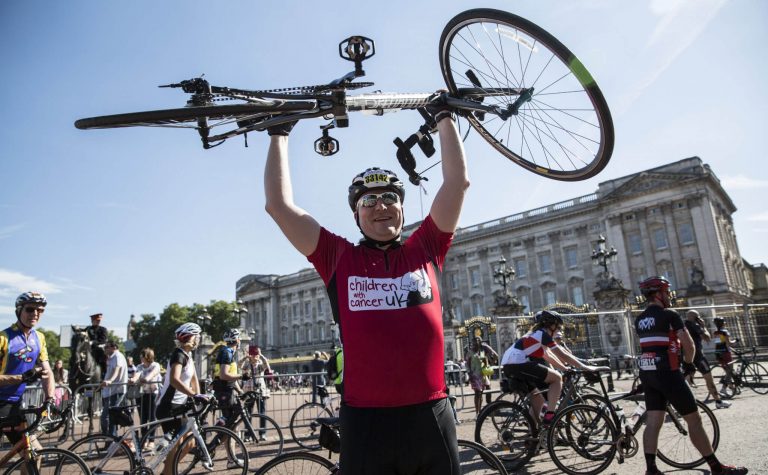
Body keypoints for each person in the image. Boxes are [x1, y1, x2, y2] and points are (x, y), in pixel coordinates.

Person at [263, 95, 467, 474]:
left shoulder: (426, 248)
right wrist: (279, 134)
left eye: (390, 197)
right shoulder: (338, 257)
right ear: (356, 214)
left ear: (403, 208)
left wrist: (444, 117)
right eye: (368, 200)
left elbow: (457, 182)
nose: (380, 206)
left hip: (431, 416)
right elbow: (279, 205)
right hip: (366, 423)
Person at [634, 276, 746, 475]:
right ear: (658, 294)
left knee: (653, 422)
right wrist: (688, 365)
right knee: (694, 420)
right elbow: (689, 344)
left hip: (648, 372)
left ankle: (651, 469)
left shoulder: (639, 319)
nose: (669, 296)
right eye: (666, 292)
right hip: (668, 372)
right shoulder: (669, 314)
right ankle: (716, 468)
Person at [501, 310, 598, 425]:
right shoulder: (542, 334)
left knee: (538, 399)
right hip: (518, 364)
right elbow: (562, 354)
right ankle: (550, 416)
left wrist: (565, 368)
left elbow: (549, 356)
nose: (558, 330)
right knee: (557, 379)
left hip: (510, 365)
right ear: (551, 325)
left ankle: (534, 433)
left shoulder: (536, 334)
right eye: (557, 327)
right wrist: (584, 367)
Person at [156, 323, 215, 474]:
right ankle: (167, 472)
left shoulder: (188, 356)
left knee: (189, 444)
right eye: (197, 336)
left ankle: (168, 469)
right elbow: (175, 379)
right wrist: (194, 395)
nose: (199, 339)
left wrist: (200, 398)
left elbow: (195, 381)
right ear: (189, 337)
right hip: (169, 406)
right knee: (175, 445)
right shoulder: (179, 355)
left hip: (180, 405)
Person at [0, 292, 56, 451]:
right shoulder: (4, 337)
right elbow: (24, 377)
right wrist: (22, 377)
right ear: (19, 310)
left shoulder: (39, 338)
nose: (35, 314)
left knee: (34, 454)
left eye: (40, 310)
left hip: (14, 406)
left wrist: (50, 399)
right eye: (30, 309)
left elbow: (48, 372)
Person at [682, 310, 731, 408]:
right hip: (698, 357)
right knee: (709, 379)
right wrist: (703, 326)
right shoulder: (695, 326)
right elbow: (707, 338)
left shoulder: (683, 325)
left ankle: (683, 405)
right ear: (696, 317)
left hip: (686, 357)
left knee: (684, 381)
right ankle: (718, 402)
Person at [212, 329, 249, 428]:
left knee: (231, 418)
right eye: (239, 339)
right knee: (228, 420)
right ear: (237, 340)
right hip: (224, 390)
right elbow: (224, 375)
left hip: (226, 389)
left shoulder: (227, 352)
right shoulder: (227, 353)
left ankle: (223, 439)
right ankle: (216, 438)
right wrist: (242, 376)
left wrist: (240, 391)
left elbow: (230, 377)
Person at [132, 348, 161, 450]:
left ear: (147, 356)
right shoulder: (140, 366)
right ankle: (143, 440)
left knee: (152, 418)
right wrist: (133, 379)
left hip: (153, 394)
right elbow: (137, 374)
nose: (140, 357)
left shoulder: (155, 365)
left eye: (142, 355)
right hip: (142, 394)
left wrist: (146, 379)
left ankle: (151, 441)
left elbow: (153, 374)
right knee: (143, 419)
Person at [240, 345, 272, 441]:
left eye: (256, 355)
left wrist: (261, 355)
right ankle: (247, 434)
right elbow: (239, 365)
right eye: (253, 355)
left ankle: (262, 433)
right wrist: (246, 357)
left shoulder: (260, 364)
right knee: (248, 414)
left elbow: (267, 365)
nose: (255, 357)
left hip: (260, 391)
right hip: (249, 391)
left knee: (262, 413)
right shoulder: (247, 365)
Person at [100, 339, 128, 437]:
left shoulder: (117, 356)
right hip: (111, 391)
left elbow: (117, 368)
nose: (105, 349)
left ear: (113, 347)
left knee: (108, 417)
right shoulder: (111, 358)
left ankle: (111, 439)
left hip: (116, 391)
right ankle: (110, 439)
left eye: (106, 347)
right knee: (108, 417)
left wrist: (110, 380)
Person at [465, 336, 498, 415]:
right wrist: (469, 373)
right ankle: (478, 413)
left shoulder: (483, 350)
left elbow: (494, 356)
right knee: (478, 393)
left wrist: (491, 363)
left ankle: (485, 411)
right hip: (475, 375)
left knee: (485, 391)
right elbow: (467, 363)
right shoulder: (470, 352)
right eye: (475, 341)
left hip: (483, 374)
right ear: (472, 343)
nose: (476, 342)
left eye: (478, 340)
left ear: (480, 342)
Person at [713, 317, 740, 395]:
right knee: (730, 371)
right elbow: (729, 343)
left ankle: (732, 388)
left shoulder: (716, 332)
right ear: (723, 323)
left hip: (718, 353)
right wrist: (736, 340)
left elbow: (720, 343)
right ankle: (723, 389)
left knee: (727, 371)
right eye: (724, 322)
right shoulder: (725, 332)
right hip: (726, 353)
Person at [85, 313, 109, 377]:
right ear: (92, 321)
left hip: (98, 349)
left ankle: (104, 373)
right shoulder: (88, 329)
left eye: (99, 320)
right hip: (88, 349)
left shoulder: (103, 329)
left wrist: (93, 342)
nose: (99, 321)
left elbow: (103, 340)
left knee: (103, 356)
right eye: (97, 320)